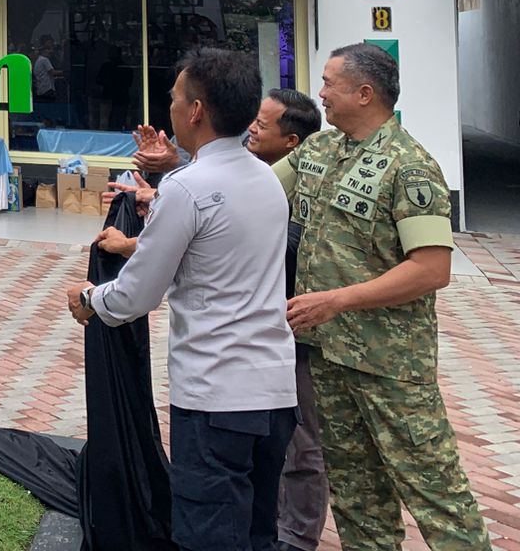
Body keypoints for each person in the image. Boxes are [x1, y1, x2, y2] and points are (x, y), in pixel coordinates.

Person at [66, 49, 296, 551]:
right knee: (258, 532)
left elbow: (136, 294)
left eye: (173, 98)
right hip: (275, 392)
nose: (168, 107)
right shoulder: (266, 179)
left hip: (216, 397)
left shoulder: (188, 189)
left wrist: (89, 297)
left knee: (209, 535)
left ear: (195, 111)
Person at [279, 44, 491, 550]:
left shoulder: (410, 167)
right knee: (356, 495)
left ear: (364, 93)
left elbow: (432, 269)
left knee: (434, 492)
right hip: (330, 357)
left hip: (389, 365)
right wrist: (170, 181)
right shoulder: (319, 151)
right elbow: (251, 191)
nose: (321, 93)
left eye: (330, 83)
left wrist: (336, 301)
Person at [244, 88, 327, 551]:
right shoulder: (256, 174)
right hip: (265, 330)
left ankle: (298, 536)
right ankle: (271, 520)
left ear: (293, 142)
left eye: (262, 122)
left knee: (302, 441)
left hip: (303, 331)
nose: (252, 128)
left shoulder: (305, 178)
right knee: (269, 431)